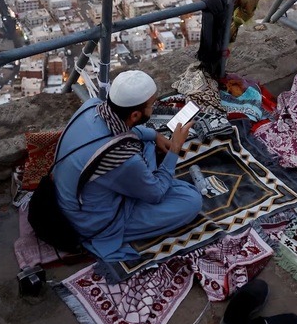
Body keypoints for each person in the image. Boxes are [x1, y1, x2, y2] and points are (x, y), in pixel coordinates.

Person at [52, 70, 202, 261]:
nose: (153, 109)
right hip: (90, 220)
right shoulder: (124, 158)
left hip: (71, 194)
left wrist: (154, 135)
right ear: (135, 114)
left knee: (147, 142)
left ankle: (142, 179)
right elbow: (155, 194)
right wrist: (175, 149)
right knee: (191, 201)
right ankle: (142, 186)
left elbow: (121, 133)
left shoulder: (91, 106)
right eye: (152, 106)